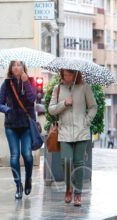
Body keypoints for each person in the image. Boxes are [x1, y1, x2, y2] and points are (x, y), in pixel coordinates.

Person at [48, 69, 97, 206]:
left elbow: (93, 107)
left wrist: (86, 121)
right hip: (65, 131)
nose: (66, 77)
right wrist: (64, 103)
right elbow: (51, 109)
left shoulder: (84, 87)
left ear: (75, 74)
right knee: (66, 161)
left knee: (79, 162)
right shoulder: (57, 89)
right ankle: (68, 188)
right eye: (64, 74)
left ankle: (78, 193)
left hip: (81, 131)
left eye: (69, 74)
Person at [0, 60, 37, 200]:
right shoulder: (6, 84)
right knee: (14, 156)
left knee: (27, 155)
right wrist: (8, 110)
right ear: (10, 68)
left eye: (19, 64)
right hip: (11, 125)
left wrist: (26, 83)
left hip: (26, 125)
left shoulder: (30, 81)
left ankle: (28, 178)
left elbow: (32, 98)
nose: (16, 67)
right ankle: (18, 185)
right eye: (13, 65)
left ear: (23, 67)